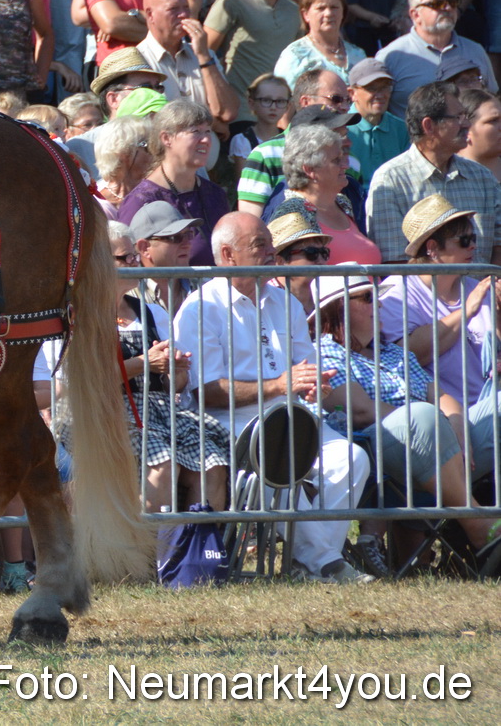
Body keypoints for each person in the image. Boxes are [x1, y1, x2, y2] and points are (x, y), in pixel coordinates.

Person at [172, 212, 375, 583]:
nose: (272, 252)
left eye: (271, 244)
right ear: (229, 255)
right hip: (230, 422)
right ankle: (327, 564)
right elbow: (206, 391)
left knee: (353, 458)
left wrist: (313, 381)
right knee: (278, 457)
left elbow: (304, 365)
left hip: (291, 413)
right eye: (260, 245)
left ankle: (311, 562)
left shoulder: (286, 303)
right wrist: (279, 385)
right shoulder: (201, 308)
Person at [308, 269, 498, 577]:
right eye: (368, 298)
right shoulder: (323, 352)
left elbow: (441, 396)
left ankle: (470, 534)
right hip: (374, 451)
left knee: (496, 409)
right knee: (420, 416)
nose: (379, 306)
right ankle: (476, 524)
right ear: (339, 308)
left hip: (429, 444)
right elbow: (361, 411)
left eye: (377, 298)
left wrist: (457, 428)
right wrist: (430, 419)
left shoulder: (394, 353)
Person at [36, 218, 228, 515]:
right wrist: (142, 363)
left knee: (212, 465)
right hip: (97, 414)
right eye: (124, 257)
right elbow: (79, 385)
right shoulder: (74, 317)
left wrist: (175, 372)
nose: (135, 262)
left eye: (134, 256)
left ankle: (194, 555)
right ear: (96, 263)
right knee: (161, 465)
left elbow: (173, 386)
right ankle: (149, 556)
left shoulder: (151, 312)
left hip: (157, 411)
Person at [376, 198, 500, 473]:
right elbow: (406, 355)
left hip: (488, 408)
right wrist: (466, 312)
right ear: (432, 248)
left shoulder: (476, 286)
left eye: (474, 237)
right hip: (449, 424)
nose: (474, 246)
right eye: (464, 239)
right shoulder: (397, 294)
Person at [365, 82, 501, 264]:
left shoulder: (482, 177)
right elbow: (393, 264)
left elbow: (498, 247)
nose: (466, 124)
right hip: (419, 293)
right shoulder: (391, 180)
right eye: (458, 117)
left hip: (485, 291)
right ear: (429, 126)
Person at [205, 0, 308, 118]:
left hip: (280, 118)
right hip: (240, 114)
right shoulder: (234, 0)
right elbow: (203, 55)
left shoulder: (293, 10)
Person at [115, 100, 227, 265]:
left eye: (208, 131)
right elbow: (126, 263)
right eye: (196, 131)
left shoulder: (215, 194)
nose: (205, 140)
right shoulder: (141, 201)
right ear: (166, 138)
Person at [377, 0, 497, 115]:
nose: (447, 8)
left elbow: (491, 100)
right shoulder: (391, 56)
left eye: (453, 2)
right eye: (437, 3)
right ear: (415, 15)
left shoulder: (475, 51)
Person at [270, 123, 381, 263]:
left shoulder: (343, 203)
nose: (345, 165)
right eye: (336, 161)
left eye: (342, 157)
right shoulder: (292, 212)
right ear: (310, 170)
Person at [134, 0, 239, 122]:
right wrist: (212, 125)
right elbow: (145, 121)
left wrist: (204, 57)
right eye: (173, 9)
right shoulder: (138, 62)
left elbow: (228, 112)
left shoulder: (205, 55)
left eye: (186, 7)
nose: (183, 14)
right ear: (150, 14)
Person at [345, 58, 409, 188]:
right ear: (352, 93)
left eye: (385, 88)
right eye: (372, 88)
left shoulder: (402, 129)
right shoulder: (341, 129)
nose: (380, 95)